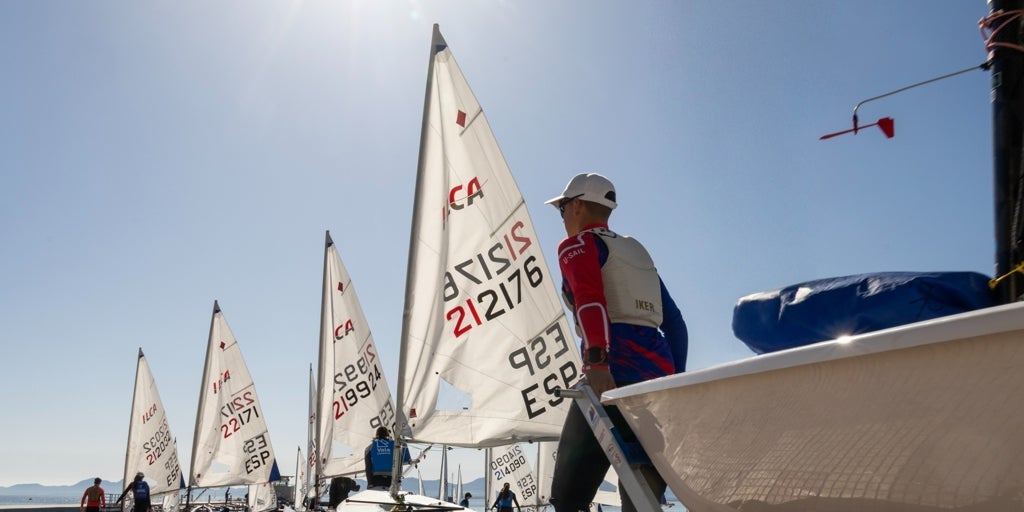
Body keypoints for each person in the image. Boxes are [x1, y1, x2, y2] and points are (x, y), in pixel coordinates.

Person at [544, 173, 688, 512]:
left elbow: (590, 301)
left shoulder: (578, 246)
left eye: (562, 208)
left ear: (577, 205)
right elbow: (676, 323)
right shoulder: (637, 253)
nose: (562, 217)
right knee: (642, 498)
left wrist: (597, 363)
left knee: (567, 499)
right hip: (655, 387)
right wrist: (675, 380)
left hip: (609, 380)